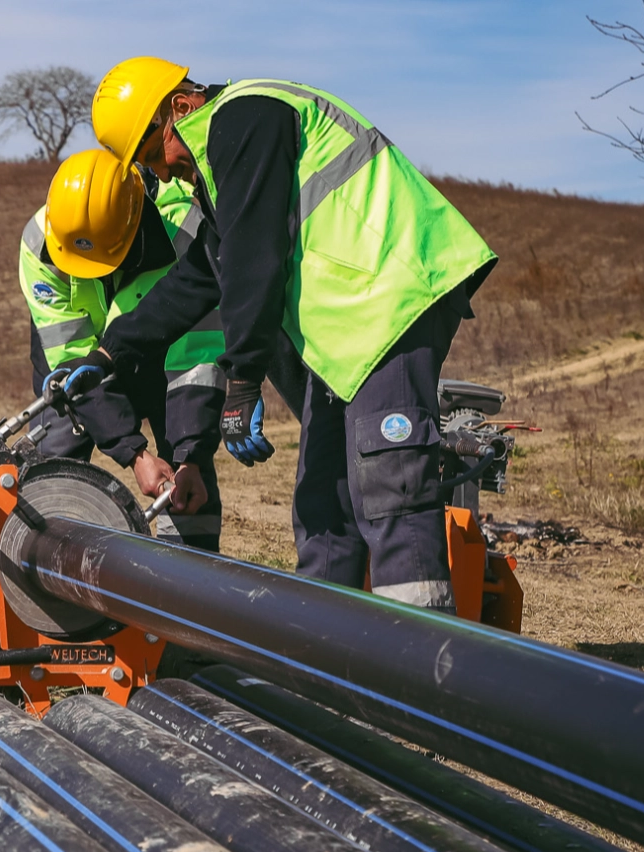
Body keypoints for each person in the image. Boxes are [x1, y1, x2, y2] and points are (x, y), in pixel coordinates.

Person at [75, 58, 497, 612]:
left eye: (155, 155)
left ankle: (419, 676)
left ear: (178, 108)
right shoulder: (224, 156)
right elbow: (204, 274)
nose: (165, 173)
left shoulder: (244, 118)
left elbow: (254, 255)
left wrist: (244, 377)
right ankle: (322, 666)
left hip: (389, 297)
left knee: (391, 487)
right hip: (345, 330)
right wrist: (109, 354)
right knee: (323, 502)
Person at [20, 148, 232, 550]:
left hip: (166, 361)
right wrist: (133, 453)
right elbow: (70, 360)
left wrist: (190, 454)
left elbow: (196, 360)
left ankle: (192, 586)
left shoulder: (185, 231)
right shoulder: (40, 243)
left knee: (189, 485)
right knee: (49, 474)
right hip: (80, 367)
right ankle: (41, 569)